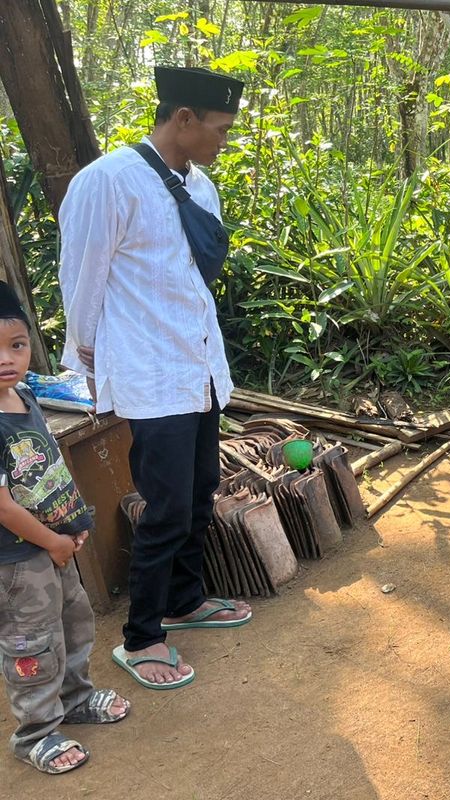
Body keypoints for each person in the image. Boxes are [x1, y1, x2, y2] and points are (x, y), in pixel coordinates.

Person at [58, 66, 252, 692]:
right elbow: (81, 281)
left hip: (198, 369)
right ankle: (141, 637)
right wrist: (87, 367)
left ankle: (184, 600)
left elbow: (193, 281)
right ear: (184, 118)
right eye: (220, 128)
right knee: (165, 506)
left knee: (199, 492)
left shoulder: (202, 186)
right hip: (150, 372)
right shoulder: (108, 181)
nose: (225, 140)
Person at [0, 282, 130, 774]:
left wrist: (69, 528)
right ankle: (36, 732)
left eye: (16, 344)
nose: (7, 359)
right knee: (31, 642)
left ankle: (75, 698)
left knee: (73, 621)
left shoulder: (24, 395)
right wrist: (53, 541)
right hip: (17, 561)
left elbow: (47, 470)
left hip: (55, 544)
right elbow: (3, 506)